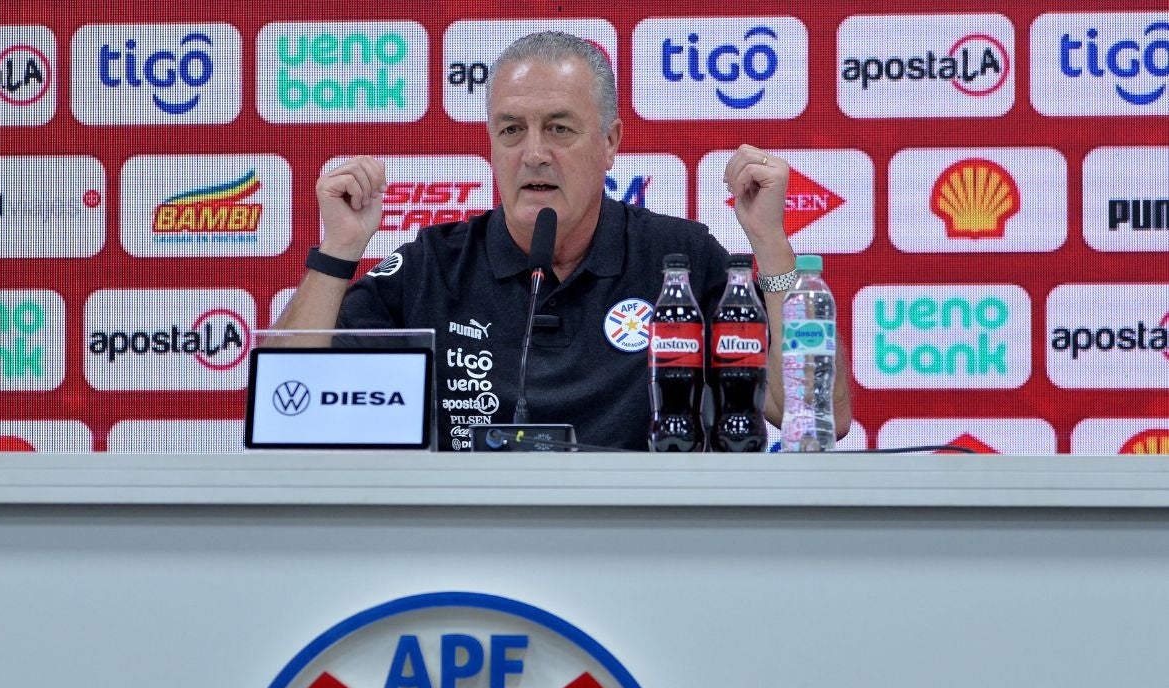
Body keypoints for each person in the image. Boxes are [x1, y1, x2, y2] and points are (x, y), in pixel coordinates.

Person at [270, 31, 852, 451]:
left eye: (559, 128)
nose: (534, 153)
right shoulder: (432, 265)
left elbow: (820, 418)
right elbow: (288, 407)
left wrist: (770, 244)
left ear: (610, 142)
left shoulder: (679, 259)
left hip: (649, 545)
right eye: (511, 130)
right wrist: (337, 251)